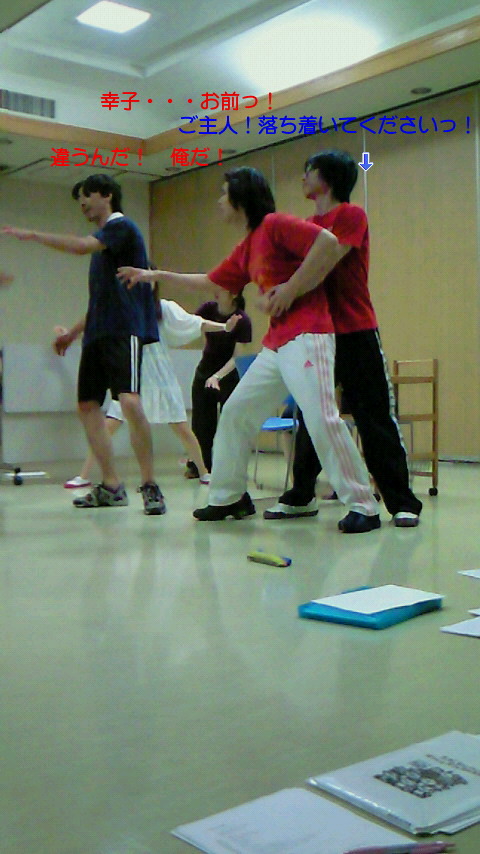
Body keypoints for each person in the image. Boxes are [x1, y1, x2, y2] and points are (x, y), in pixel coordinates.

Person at [118, 167, 380, 533]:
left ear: (241, 199)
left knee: (321, 417)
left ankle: (363, 505)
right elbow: (212, 281)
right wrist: (156, 276)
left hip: (309, 334)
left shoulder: (275, 224)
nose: (220, 201)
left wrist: (290, 288)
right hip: (277, 343)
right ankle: (228, 497)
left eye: (224, 194)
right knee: (236, 413)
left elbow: (326, 242)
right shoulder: (249, 245)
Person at [263, 150, 423, 528]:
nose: (303, 178)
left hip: (356, 331)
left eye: (309, 170)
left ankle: (402, 502)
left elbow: (324, 260)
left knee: (374, 416)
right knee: (313, 414)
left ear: (328, 177)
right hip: (319, 335)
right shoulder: (307, 224)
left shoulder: (351, 216)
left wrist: (289, 284)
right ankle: (302, 495)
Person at [2, 173, 164, 515]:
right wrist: (73, 333)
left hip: (124, 330)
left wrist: (34, 234)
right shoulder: (104, 249)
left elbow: (79, 246)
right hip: (97, 335)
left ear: (107, 195)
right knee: (88, 406)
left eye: (87, 196)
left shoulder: (121, 227)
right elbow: (99, 303)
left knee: (130, 402)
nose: (82, 204)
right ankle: (111, 486)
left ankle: (150, 485)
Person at [56, 296, 241, 487]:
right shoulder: (122, 306)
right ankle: (84, 475)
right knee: (109, 425)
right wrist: (70, 334)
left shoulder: (163, 307)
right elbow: (98, 324)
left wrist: (224, 327)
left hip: (159, 373)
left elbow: (195, 323)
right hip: (131, 369)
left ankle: (204, 472)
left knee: (181, 426)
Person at [186, 288, 252, 478]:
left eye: (223, 288)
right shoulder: (207, 309)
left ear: (234, 294)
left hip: (228, 375)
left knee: (228, 423)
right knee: (201, 424)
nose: (216, 291)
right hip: (204, 371)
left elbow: (237, 357)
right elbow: (195, 326)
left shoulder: (243, 320)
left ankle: (228, 467)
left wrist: (217, 376)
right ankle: (200, 466)